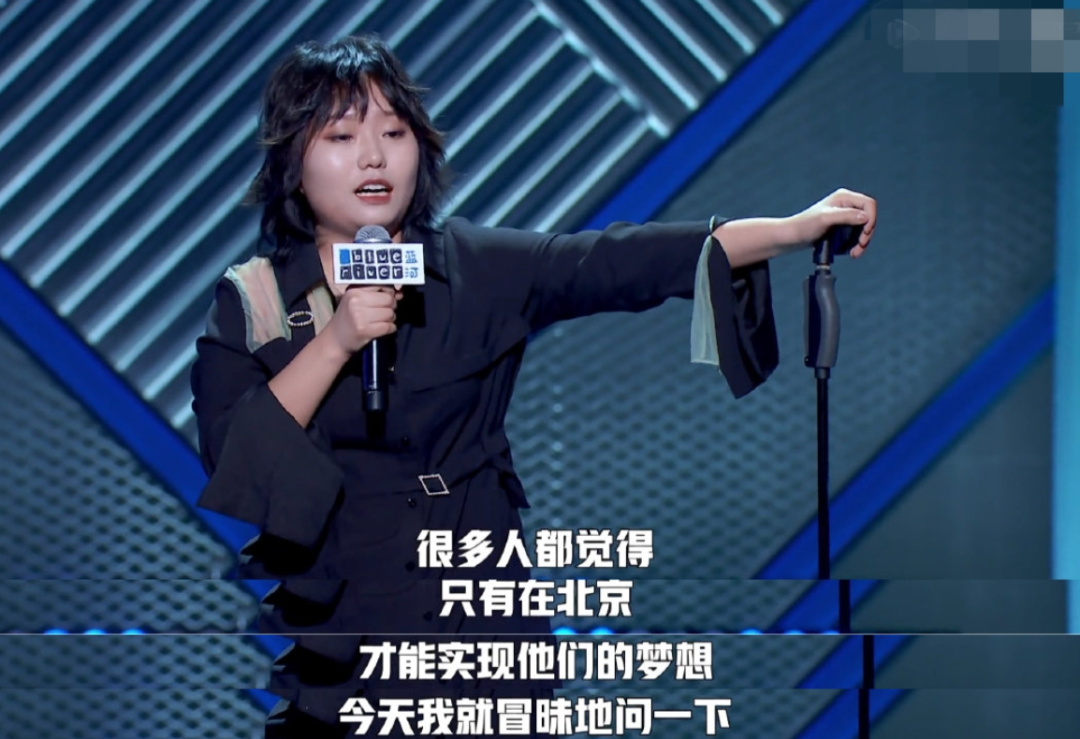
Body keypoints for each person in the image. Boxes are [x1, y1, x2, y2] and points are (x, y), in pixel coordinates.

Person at [190, 34, 877, 739]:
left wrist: (792, 231)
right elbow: (238, 461)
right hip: (347, 654)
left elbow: (615, 261)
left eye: (393, 132)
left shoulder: (472, 267)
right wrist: (338, 341)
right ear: (293, 159)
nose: (373, 157)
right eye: (341, 136)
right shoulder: (255, 302)